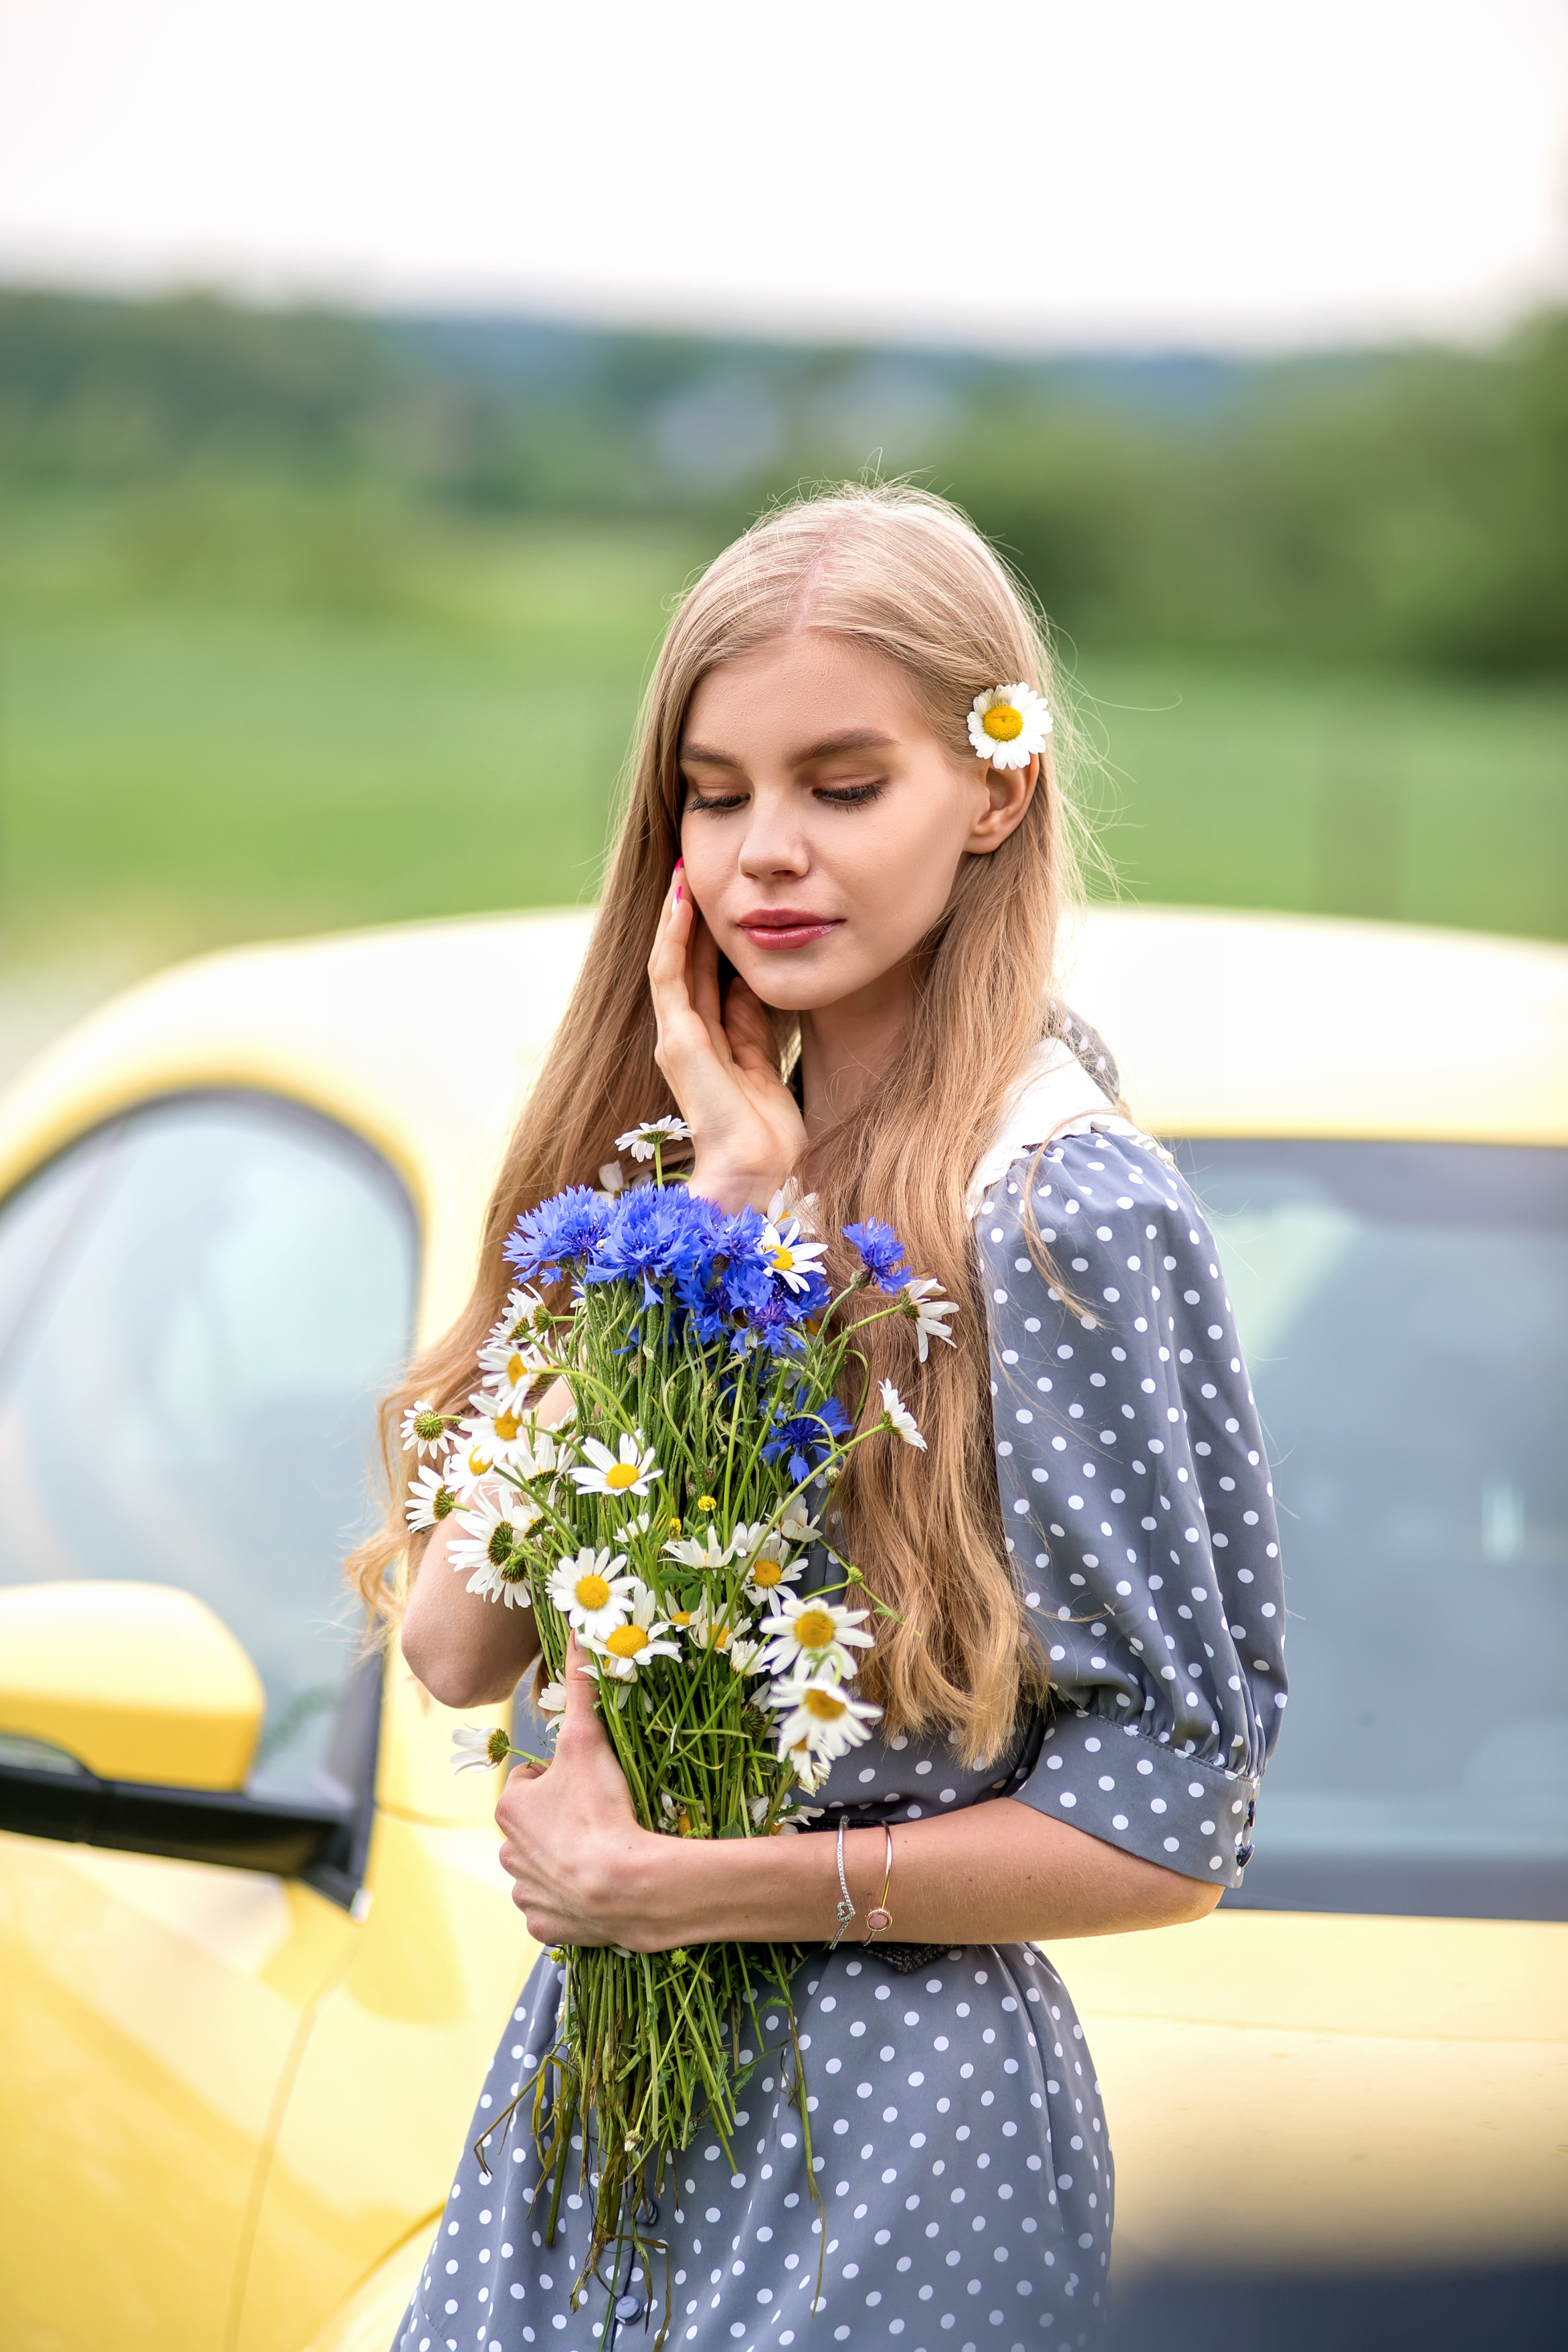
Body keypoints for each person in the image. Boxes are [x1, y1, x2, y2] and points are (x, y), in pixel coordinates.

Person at [360, 484, 1286, 2352]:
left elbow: (1176, 1825)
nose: (768, 851)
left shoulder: (1059, 1209)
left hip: (895, 2132)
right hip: (599, 2097)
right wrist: (709, 1214)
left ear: (995, 790)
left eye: (842, 787)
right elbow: (457, 1642)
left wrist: (696, 1890)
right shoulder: (682, 1182)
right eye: (717, 794)